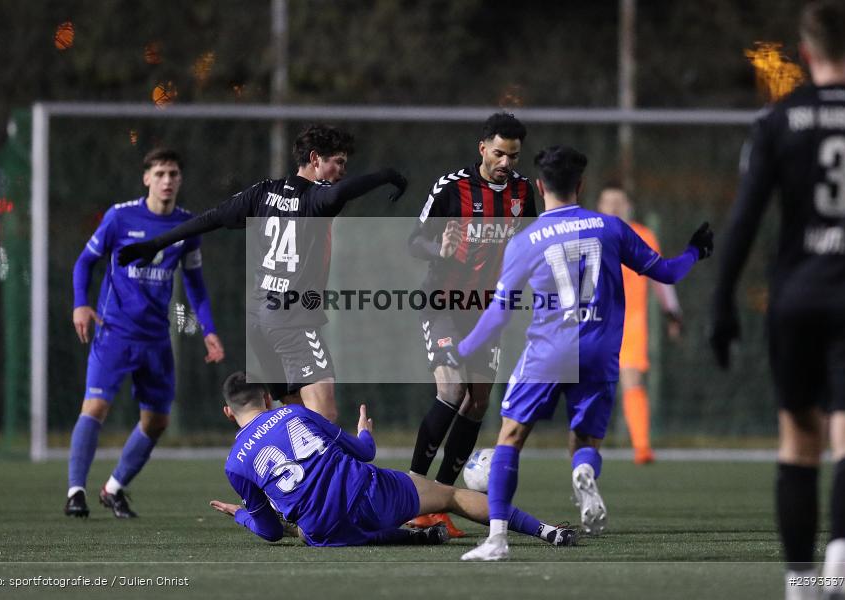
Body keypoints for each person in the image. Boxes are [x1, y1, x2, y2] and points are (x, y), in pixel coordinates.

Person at [447, 145, 712, 561]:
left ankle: (497, 539)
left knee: (510, 439)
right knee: (585, 438)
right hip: (601, 350)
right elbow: (666, 272)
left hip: (549, 351)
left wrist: (461, 349)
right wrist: (696, 251)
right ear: (581, 185)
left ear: (539, 185)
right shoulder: (612, 228)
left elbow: (498, 314)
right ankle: (583, 471)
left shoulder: (526, 240)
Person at [709, 2, 845, 598]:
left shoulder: (778, 120)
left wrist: (722, 301)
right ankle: (843, 561)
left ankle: (803, 584)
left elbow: (745, 219)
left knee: (799, 439)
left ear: (803, 53)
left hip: (796, 297)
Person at [119, 124, 407, 423]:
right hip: (293, 320)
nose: (343, 171)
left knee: (295, 410)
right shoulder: (316, 197)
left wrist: (156, 243)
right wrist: (387, 175)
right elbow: (338, 193)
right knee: (325, 416)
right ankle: (318, 470)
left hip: (260, 320)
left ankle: (287, 468)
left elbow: (212, 217)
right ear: (315, 159)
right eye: (339, 162)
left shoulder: (262, 192)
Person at [209, 371, 578, 551]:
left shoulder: (234, 465)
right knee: (448, 495)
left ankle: (415, 538)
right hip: (370, 495)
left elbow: (270, 532)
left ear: (228, 412)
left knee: (305, 529)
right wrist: (365, 431)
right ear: (267, 398)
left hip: (328, 531)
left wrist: (240, 514)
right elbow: (365, 453)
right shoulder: (295, 415)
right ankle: (547, 531)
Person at [65, 148, 225, 519]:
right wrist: (79, 303)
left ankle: (113, 488)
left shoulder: (188, 226)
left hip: (156, 339)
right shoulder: (120, 217)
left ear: (180, 180)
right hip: (115, 333)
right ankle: (75, 492)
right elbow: (85, 261)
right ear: (146, 178)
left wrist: (209, 330)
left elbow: (196, 283)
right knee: (95, 407)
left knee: (157, 421)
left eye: (173, 174)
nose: (167, 180)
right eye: (160, 173)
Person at [406, 112, 536, 536]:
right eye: (498, 153)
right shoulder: (451, 187)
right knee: (452, 390)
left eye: (513, 155)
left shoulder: (521, 192)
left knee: (478, 402)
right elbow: (415, 240)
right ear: (482, 147)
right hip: (442, 302)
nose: (506, 162)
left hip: (487, 311)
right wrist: (439, 248)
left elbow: (527, 244)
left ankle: (439, 501)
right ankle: (411, 495)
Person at [597, 184, 682, 464]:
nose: (613, 207)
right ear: (599, 206)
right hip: (592, 320)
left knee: (632, 379)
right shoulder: (588, 232)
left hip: (630, 322)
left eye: (619, 201)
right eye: (608, 201)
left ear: (628, 205)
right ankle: (585, 446)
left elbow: (660, 277)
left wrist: (673, 314)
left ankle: (642, 447)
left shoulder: (643, 236)